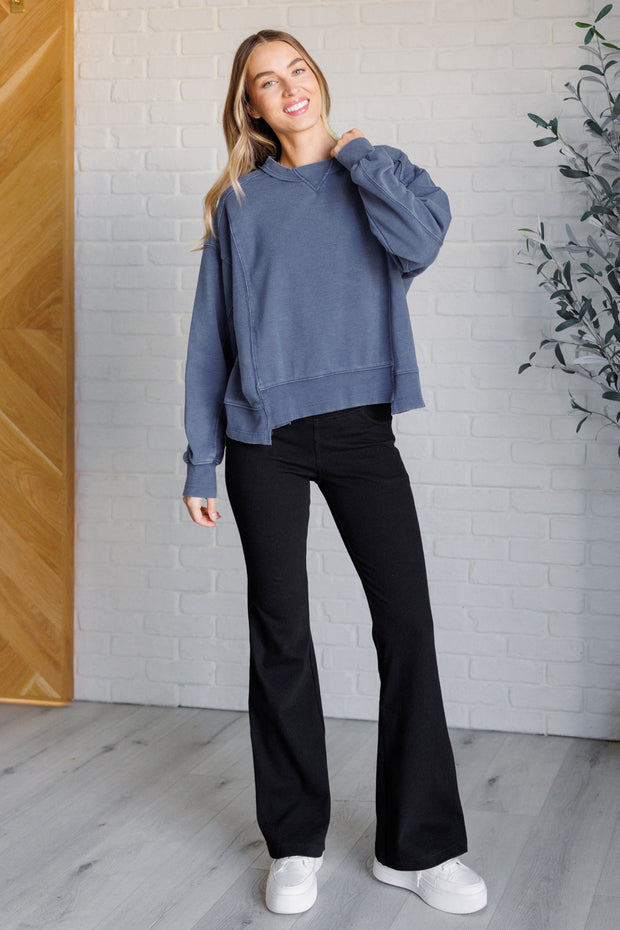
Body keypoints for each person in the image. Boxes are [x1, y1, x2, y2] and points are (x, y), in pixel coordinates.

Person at [181, 28, 487, 918]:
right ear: (249, 107)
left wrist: (356, 157)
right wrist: (202, 459)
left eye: (296, 70)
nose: (287, 88)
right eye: (264, 82)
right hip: (264, 439)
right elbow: (210, 338)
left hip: (360, 432)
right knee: (281, 636)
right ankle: (294, 844)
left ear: (317, 79)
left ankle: (419, 849)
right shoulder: (240, 203)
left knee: (408, 628)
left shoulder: (381, 173)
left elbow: (420, 242)